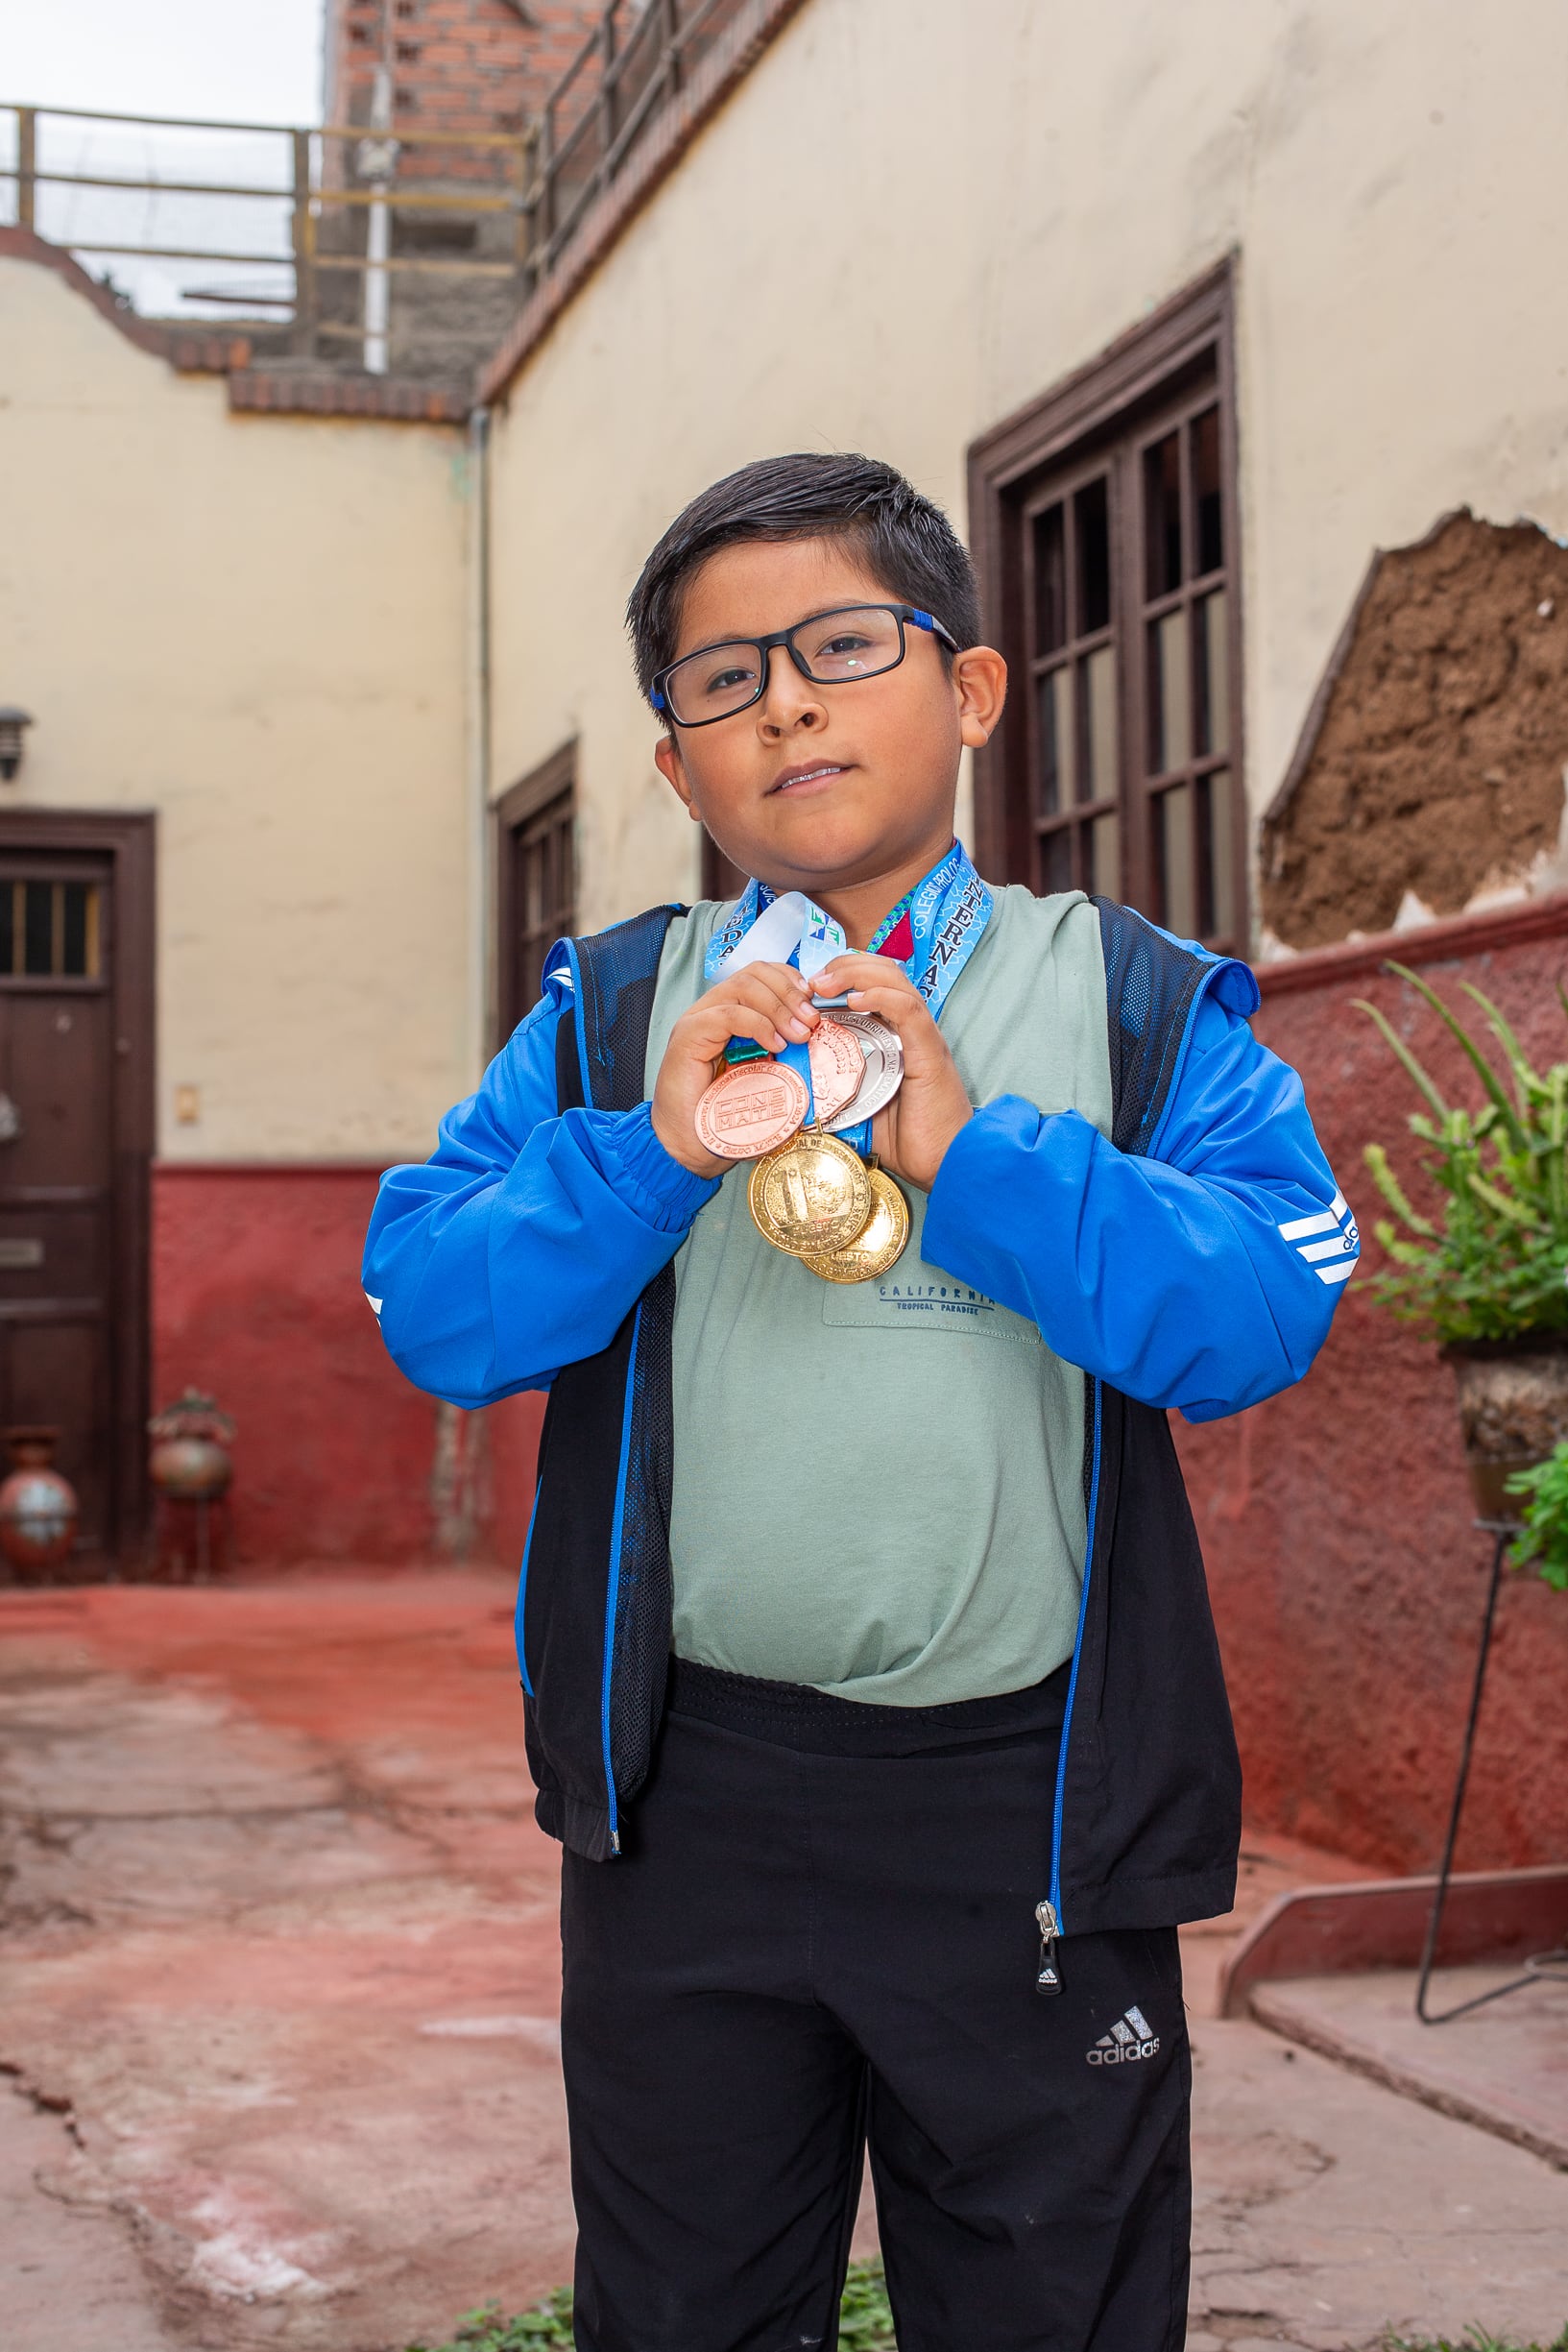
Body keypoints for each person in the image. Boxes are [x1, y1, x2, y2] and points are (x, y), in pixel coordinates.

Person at [363, 453, 1356, 2351]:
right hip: (683, 1808)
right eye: (720, 681)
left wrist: (973, 1153)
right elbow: (431, 1298)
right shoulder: (611, 1010)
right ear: (674, 768)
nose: (785, 704)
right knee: (682, 2306)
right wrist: (650, 1152)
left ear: (969, 689)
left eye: (836, 645)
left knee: (1046, 2298)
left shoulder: (1130, 1000)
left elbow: (1261, 1307)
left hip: (1020, 1812)